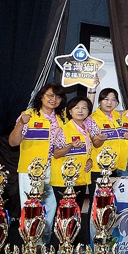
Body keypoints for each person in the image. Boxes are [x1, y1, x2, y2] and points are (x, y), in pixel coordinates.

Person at [8, 84, 66, 226]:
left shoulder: (62, 118)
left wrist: (92, 89)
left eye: (58, 96)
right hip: (31, 170)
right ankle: (31, 238)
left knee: (51, 206)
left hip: (53, 169)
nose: (54, 99)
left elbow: (83, 113)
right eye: (50, 95)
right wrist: (21, 123)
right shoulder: (29, 115)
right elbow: (13, 142)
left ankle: (44, 238)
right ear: (41, 96)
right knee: (31, 207)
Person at [50, 97, 101, 243]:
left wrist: (90, 160)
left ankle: (72, 246)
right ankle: (59, 247)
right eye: (76, 108)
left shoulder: (86, 130)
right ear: (70, 111)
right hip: (63, 180)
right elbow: (56, 153)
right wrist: (70, 146)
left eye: (84, 108)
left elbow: (87, 151)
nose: (80, 111)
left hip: (80, 178)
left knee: (76, 213)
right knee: (64, 214)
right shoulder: (64, 129)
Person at [88, 87, 128, 177]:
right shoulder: (92, 118)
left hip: (115, 166)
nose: (109, 102)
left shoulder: (120, 115)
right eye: (106, 99)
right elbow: (95, 144)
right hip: (99, 167)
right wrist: (100, 139)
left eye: (113, 100)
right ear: (100, 101)